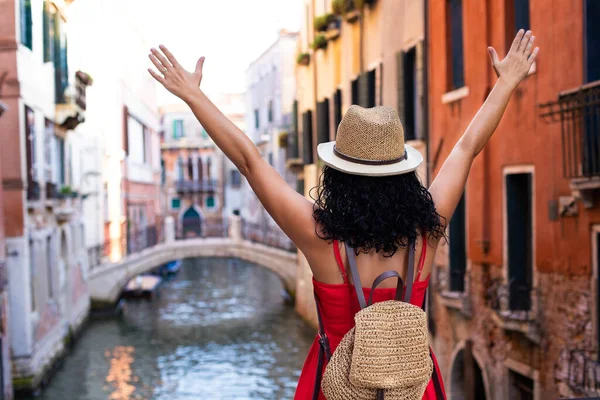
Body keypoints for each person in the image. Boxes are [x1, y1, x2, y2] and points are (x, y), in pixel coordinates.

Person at [148, 29, 538, 400]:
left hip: (333, 387)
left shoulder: (319, 236)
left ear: (338, 174)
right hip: (413, 390)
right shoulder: (426, 231)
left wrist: (193, 96)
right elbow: (466, 148)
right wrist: (506, 83)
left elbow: (250, 161)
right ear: (403, 172)